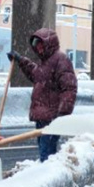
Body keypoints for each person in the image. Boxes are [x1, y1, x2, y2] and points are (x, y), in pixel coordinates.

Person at [7, 28, 77, 161]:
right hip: (42, 118)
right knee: (44, 153)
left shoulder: (60, 60)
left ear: (48, 44)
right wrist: (20, 60)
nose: (38, 49)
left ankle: (53, 180)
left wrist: (62, 114)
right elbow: (35, 73)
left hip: (52, 118)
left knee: (47, 156)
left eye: (41, 45)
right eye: (36, 46)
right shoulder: (45, 62)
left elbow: (69, 89)